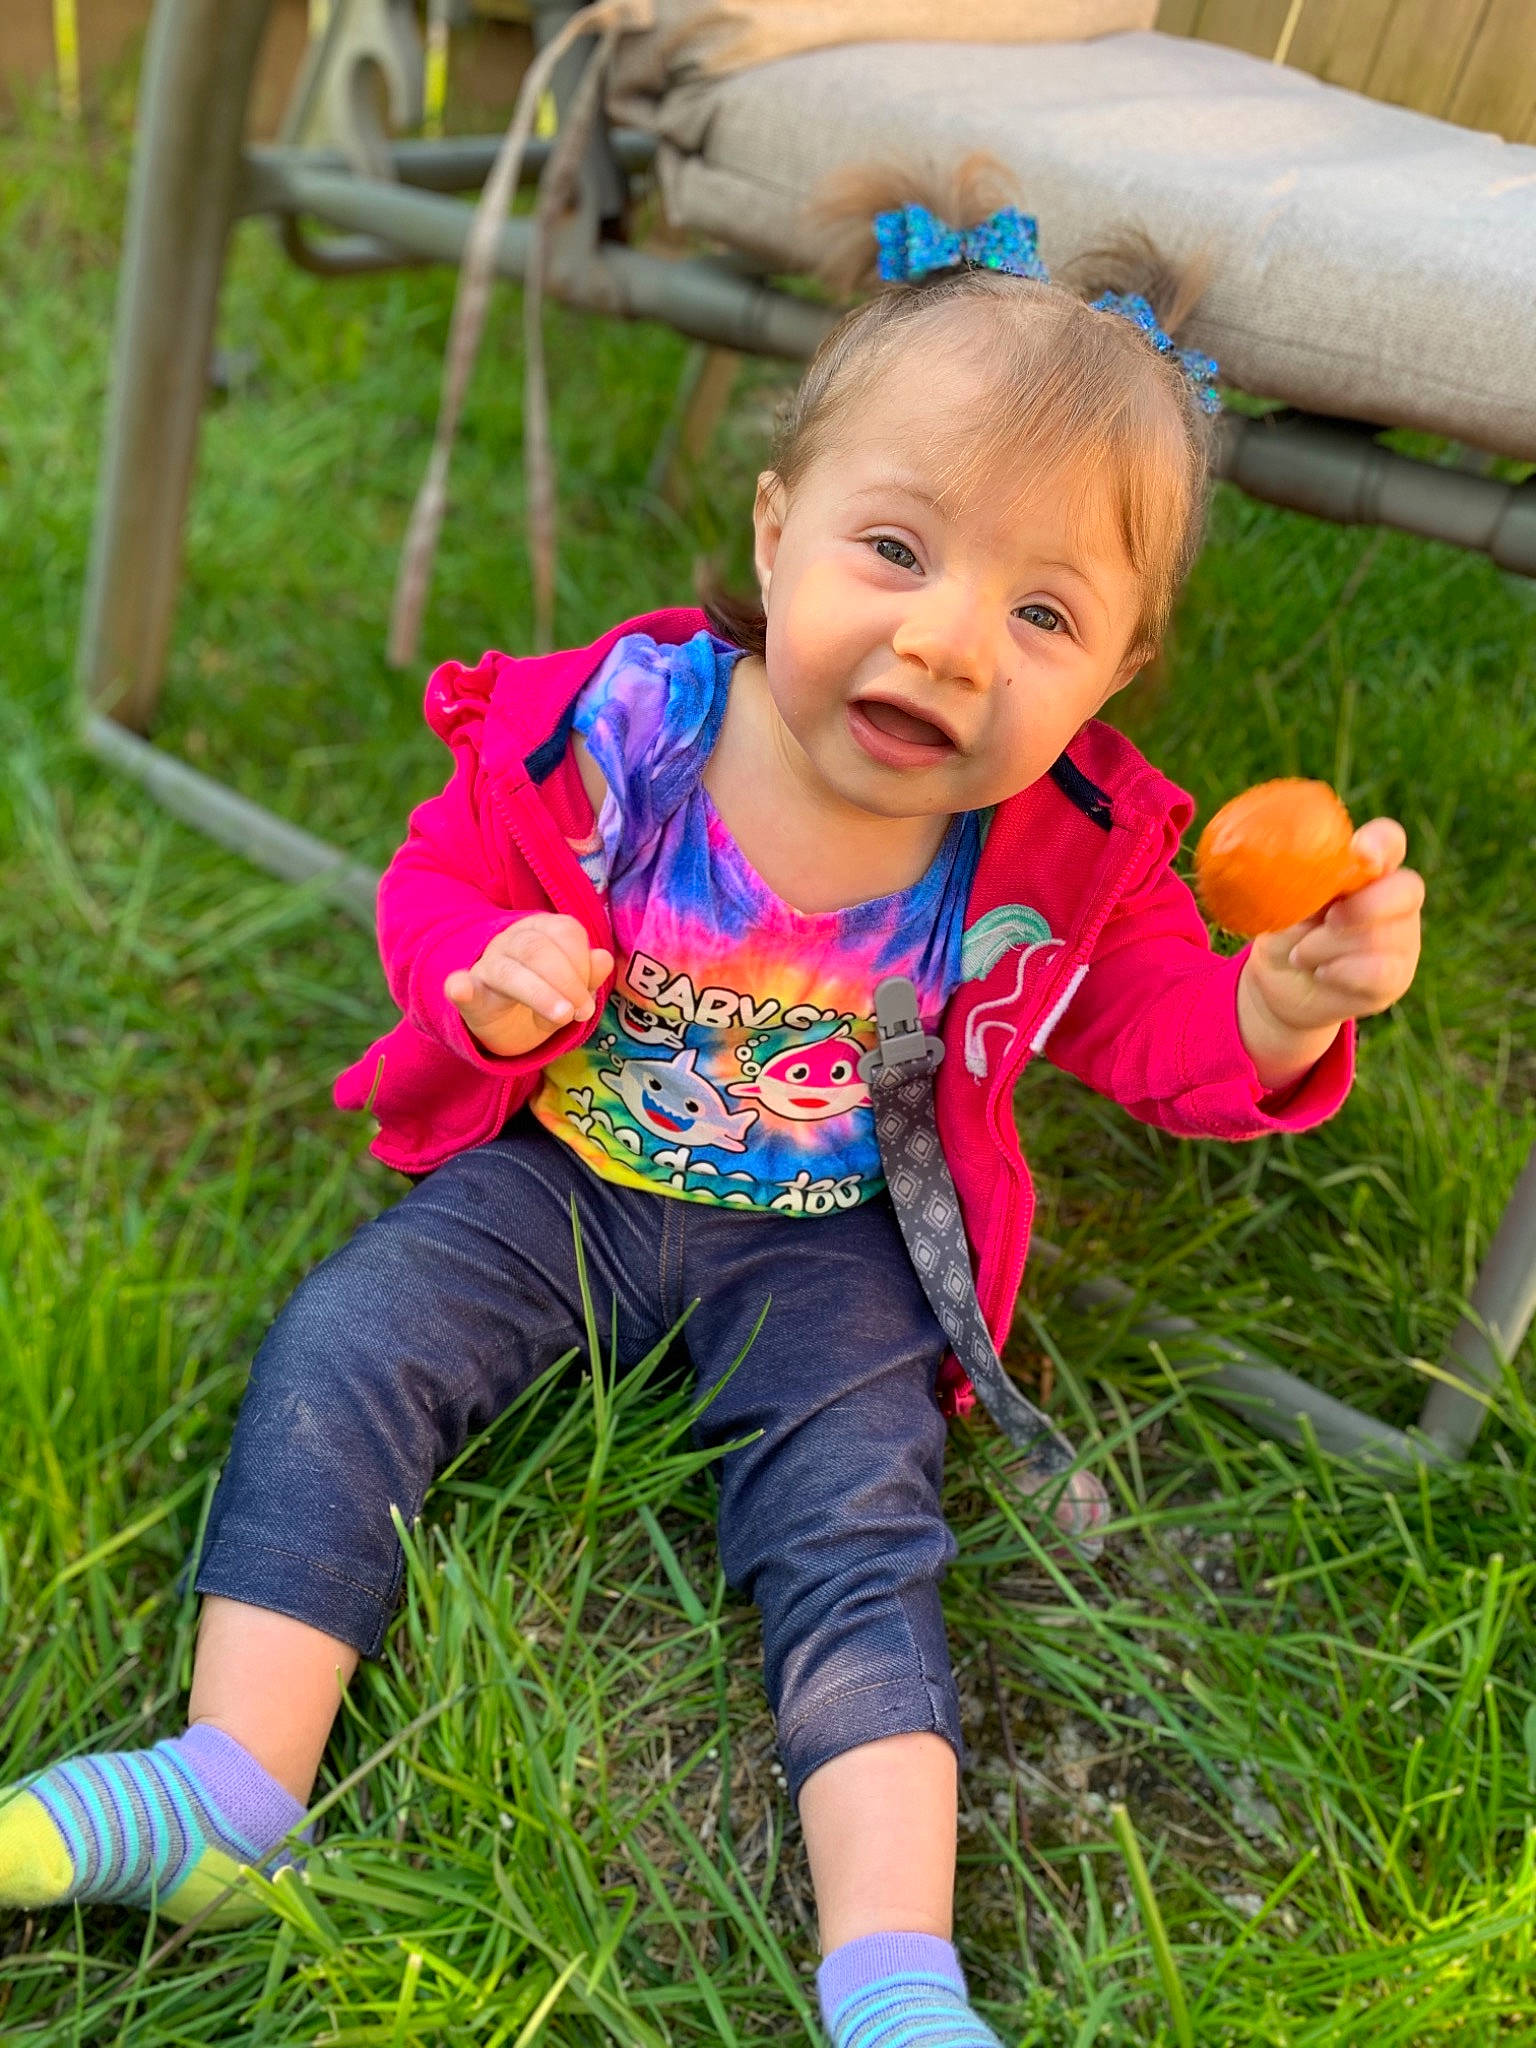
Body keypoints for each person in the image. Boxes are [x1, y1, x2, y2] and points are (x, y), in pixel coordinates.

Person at [0, 159, 1423, 2045]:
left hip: (829, 1244)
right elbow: (438, 879)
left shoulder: (1063, 853)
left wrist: (1270, 1004)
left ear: (1118, 675)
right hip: (568, 1172)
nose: (946, 643)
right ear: (775, 534)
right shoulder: (628, 733)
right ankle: (231, 1788)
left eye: (1046, 614)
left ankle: (895, 1977)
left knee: (857, 1530)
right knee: (351, 1343)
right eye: (897, 554)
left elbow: (1150, 1028)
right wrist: (483, 973)